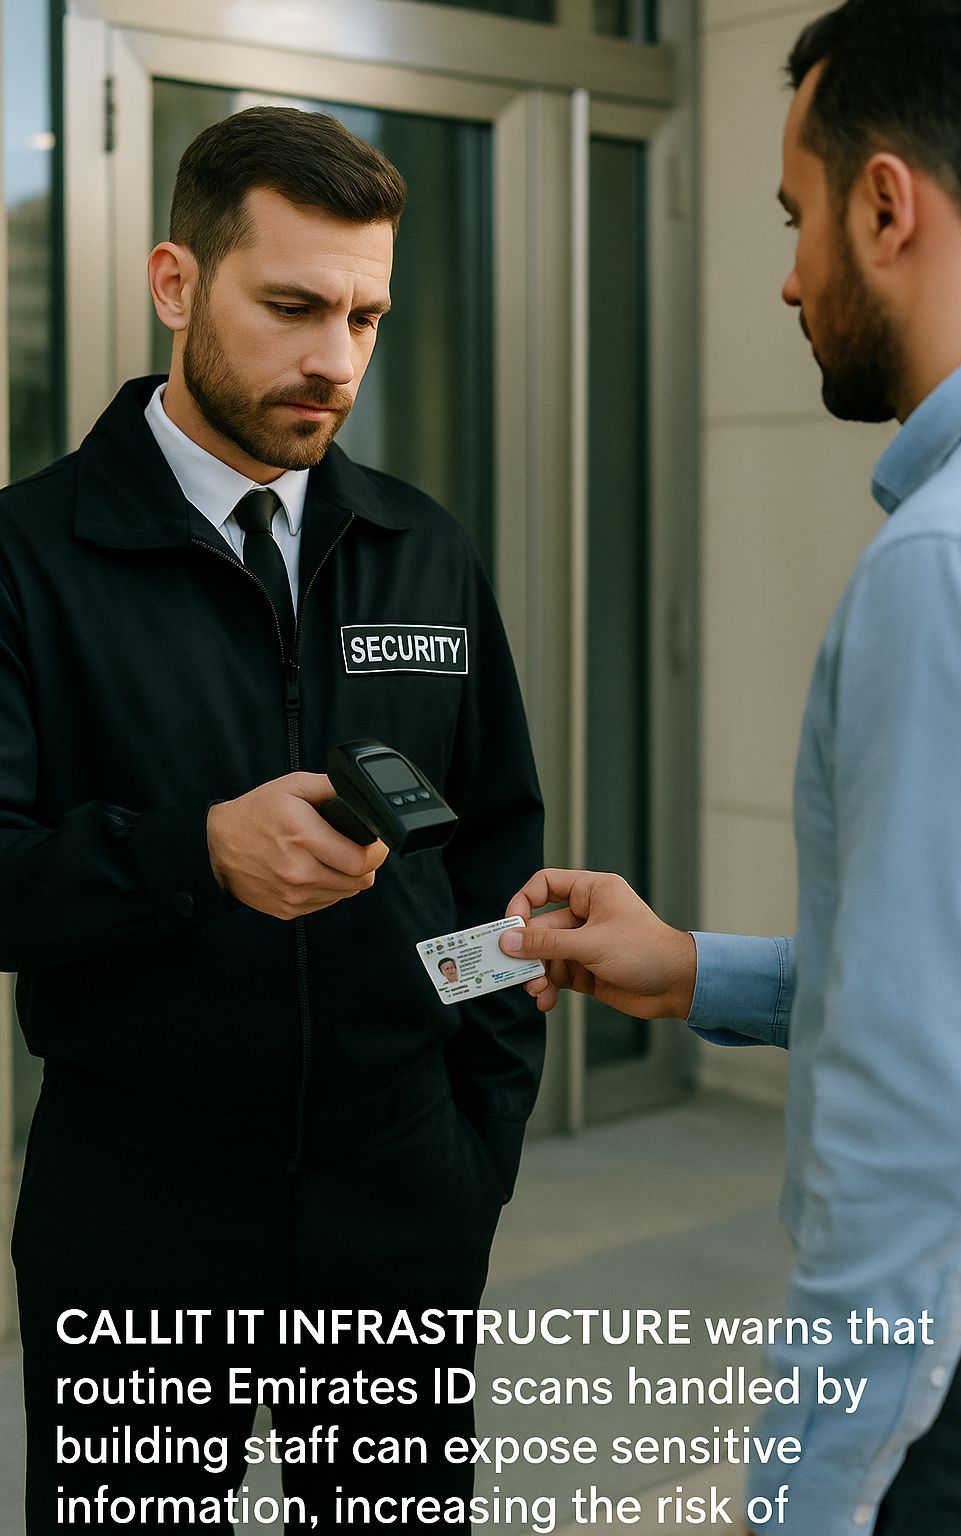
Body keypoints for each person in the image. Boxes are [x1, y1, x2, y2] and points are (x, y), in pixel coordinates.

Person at [500, 2, 961, 1532]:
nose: (788, 279)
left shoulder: (953, 566)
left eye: (796, 220)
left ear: (885, 204)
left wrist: (800, 1502)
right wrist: (696, 972)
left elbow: (930, 1119)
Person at [1, 106, 544, 1532]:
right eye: (293, 305)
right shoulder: (26, 558)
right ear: (177, 284)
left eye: (365, 313)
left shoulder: (420, 544)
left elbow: (493, 844)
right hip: (137, 1206)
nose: (336, 360)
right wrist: (193, 855)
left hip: (399, 1192)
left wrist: (477, 1131)